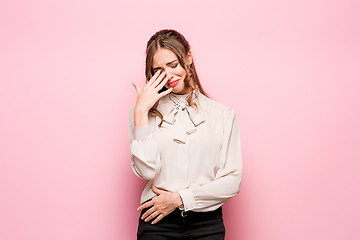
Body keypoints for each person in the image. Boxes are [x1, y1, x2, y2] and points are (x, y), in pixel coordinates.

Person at [127, 29, 243, 240]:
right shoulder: (142, 113)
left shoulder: (223, 115)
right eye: (159, 70)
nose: (169, 76)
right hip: (156, 221)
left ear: (188, 58)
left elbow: (232, 180)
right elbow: (146, 171)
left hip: (206, 223)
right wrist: (141, 113)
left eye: (173, 65)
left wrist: (181, 198)